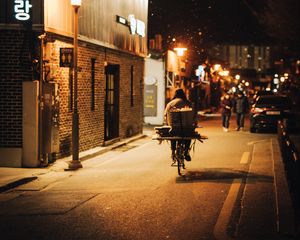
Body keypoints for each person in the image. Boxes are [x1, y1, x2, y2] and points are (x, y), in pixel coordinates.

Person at [164, 88, 194, 161]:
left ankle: (173, 152)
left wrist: (167, 122)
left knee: (173, 136)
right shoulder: (188, 103)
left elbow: (165, 114)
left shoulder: (171, 103)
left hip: (174, 127)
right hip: (186, 128)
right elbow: (193, 115)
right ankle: (186, 151)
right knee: (188, 136)